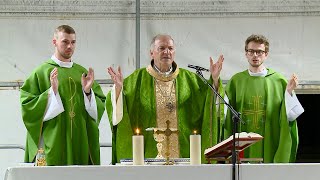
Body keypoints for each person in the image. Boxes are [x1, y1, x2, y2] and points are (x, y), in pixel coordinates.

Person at [105, 34, 224, 164]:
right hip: (149, 156)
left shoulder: (191, 80)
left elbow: (209, 100)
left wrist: (215, 80)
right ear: (151, 53)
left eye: (170, 48)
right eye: (161, 48)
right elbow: (119, 109)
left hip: (184, 156)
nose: (167, 52)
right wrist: (118, 89)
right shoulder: (136, 80)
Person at [20, 25, 106, 165]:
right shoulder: (41, 72)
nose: (69, 46)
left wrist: (88, 92)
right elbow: (28, 107)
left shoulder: (82, 73)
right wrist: (51, 92)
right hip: (53, 141)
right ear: (54, 42)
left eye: (73, 42)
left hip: (80, 141)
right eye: (65, 42)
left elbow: (99, 107)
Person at [223, 34, 304, 163]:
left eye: (259, 52)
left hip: (270, 141)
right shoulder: (236, 81)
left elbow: (289, 115)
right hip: (242, 147)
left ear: (266, 54)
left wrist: (289, 92)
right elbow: (223, 114)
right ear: (246, 54)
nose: (255, 55)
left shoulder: (278, 81)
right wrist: (215, 80)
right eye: (251, 51)